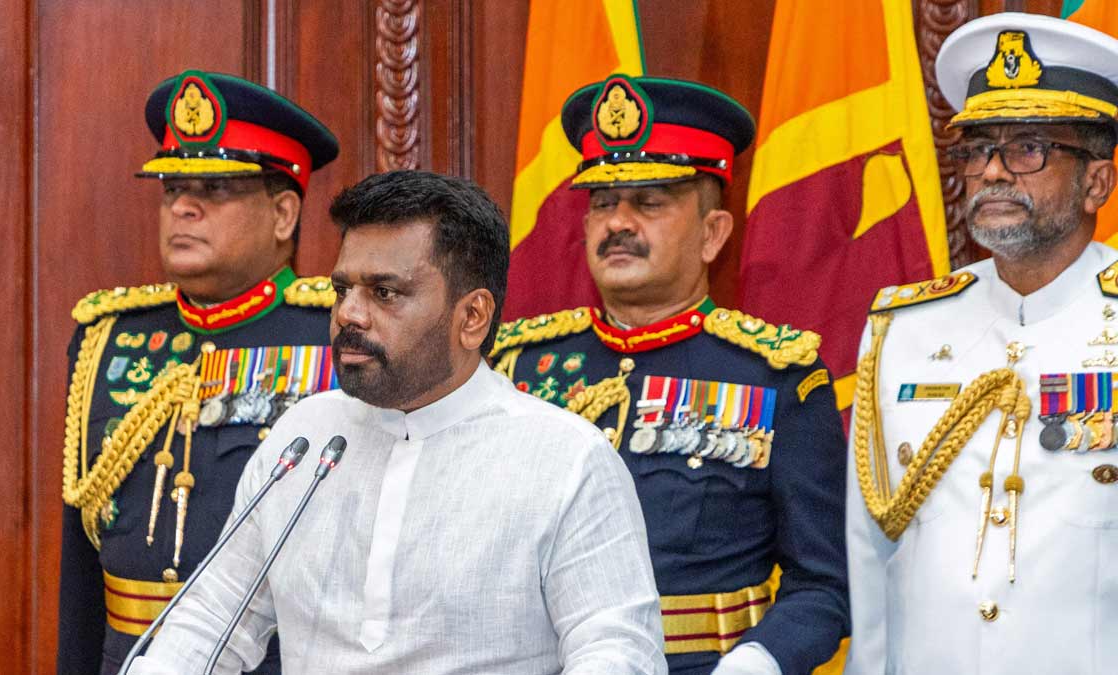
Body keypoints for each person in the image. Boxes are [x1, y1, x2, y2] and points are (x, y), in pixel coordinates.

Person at [127, 170, 668, 674]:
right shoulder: (302, 439)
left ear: (472, 316)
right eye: (343, 290)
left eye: (385, 293)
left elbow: (617, 653)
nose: (349, 315)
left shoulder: (566, 459)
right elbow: (210, 621)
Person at [492, 75, 849, 675]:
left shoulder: (774, 376)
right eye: (603, 203)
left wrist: (755, 664)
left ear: (713, 235)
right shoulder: (514, 366)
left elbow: (824, 584)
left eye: (650, 201)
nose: (618, 223)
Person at [845, 13, 1118, 674]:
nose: (993, 170)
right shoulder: (902, 327)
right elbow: (869, 551)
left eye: (1027, 148)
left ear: (1096, 183)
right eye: (978, 149)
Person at [57, 69, 340, 675]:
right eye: (171, 189)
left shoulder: (336, 336)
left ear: (284, 213)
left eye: (213, 188)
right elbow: (81, 559)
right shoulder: (108, 337)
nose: (182, 207)